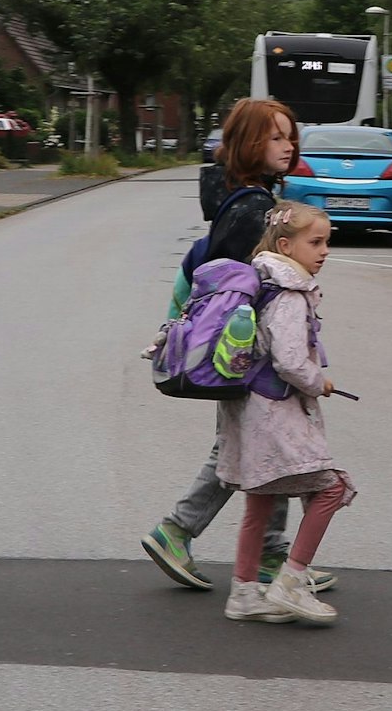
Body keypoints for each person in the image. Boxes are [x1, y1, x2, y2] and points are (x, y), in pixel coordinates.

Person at [138, 98, 332, 596]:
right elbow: (251, 286)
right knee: (258, 450)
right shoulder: (254, 210)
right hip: (247, 355)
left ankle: (267, 555)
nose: (287, 145)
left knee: (268, 450)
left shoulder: (248, 199)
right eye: (275, 138)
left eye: (290, 136)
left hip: (247, 354)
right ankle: (178, 531)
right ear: (248, 144)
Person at [216, 202, 355, 625]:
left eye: (327, 242)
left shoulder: (260, 281)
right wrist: (319, 381)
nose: (325, 251)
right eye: (315, 242)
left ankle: (243, 593)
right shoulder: (290, 294)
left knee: (260, 502)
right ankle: (291, 582)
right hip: (277, 416)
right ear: (284, 245)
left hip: (250, 412)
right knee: (331, 488)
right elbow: (291, 361)